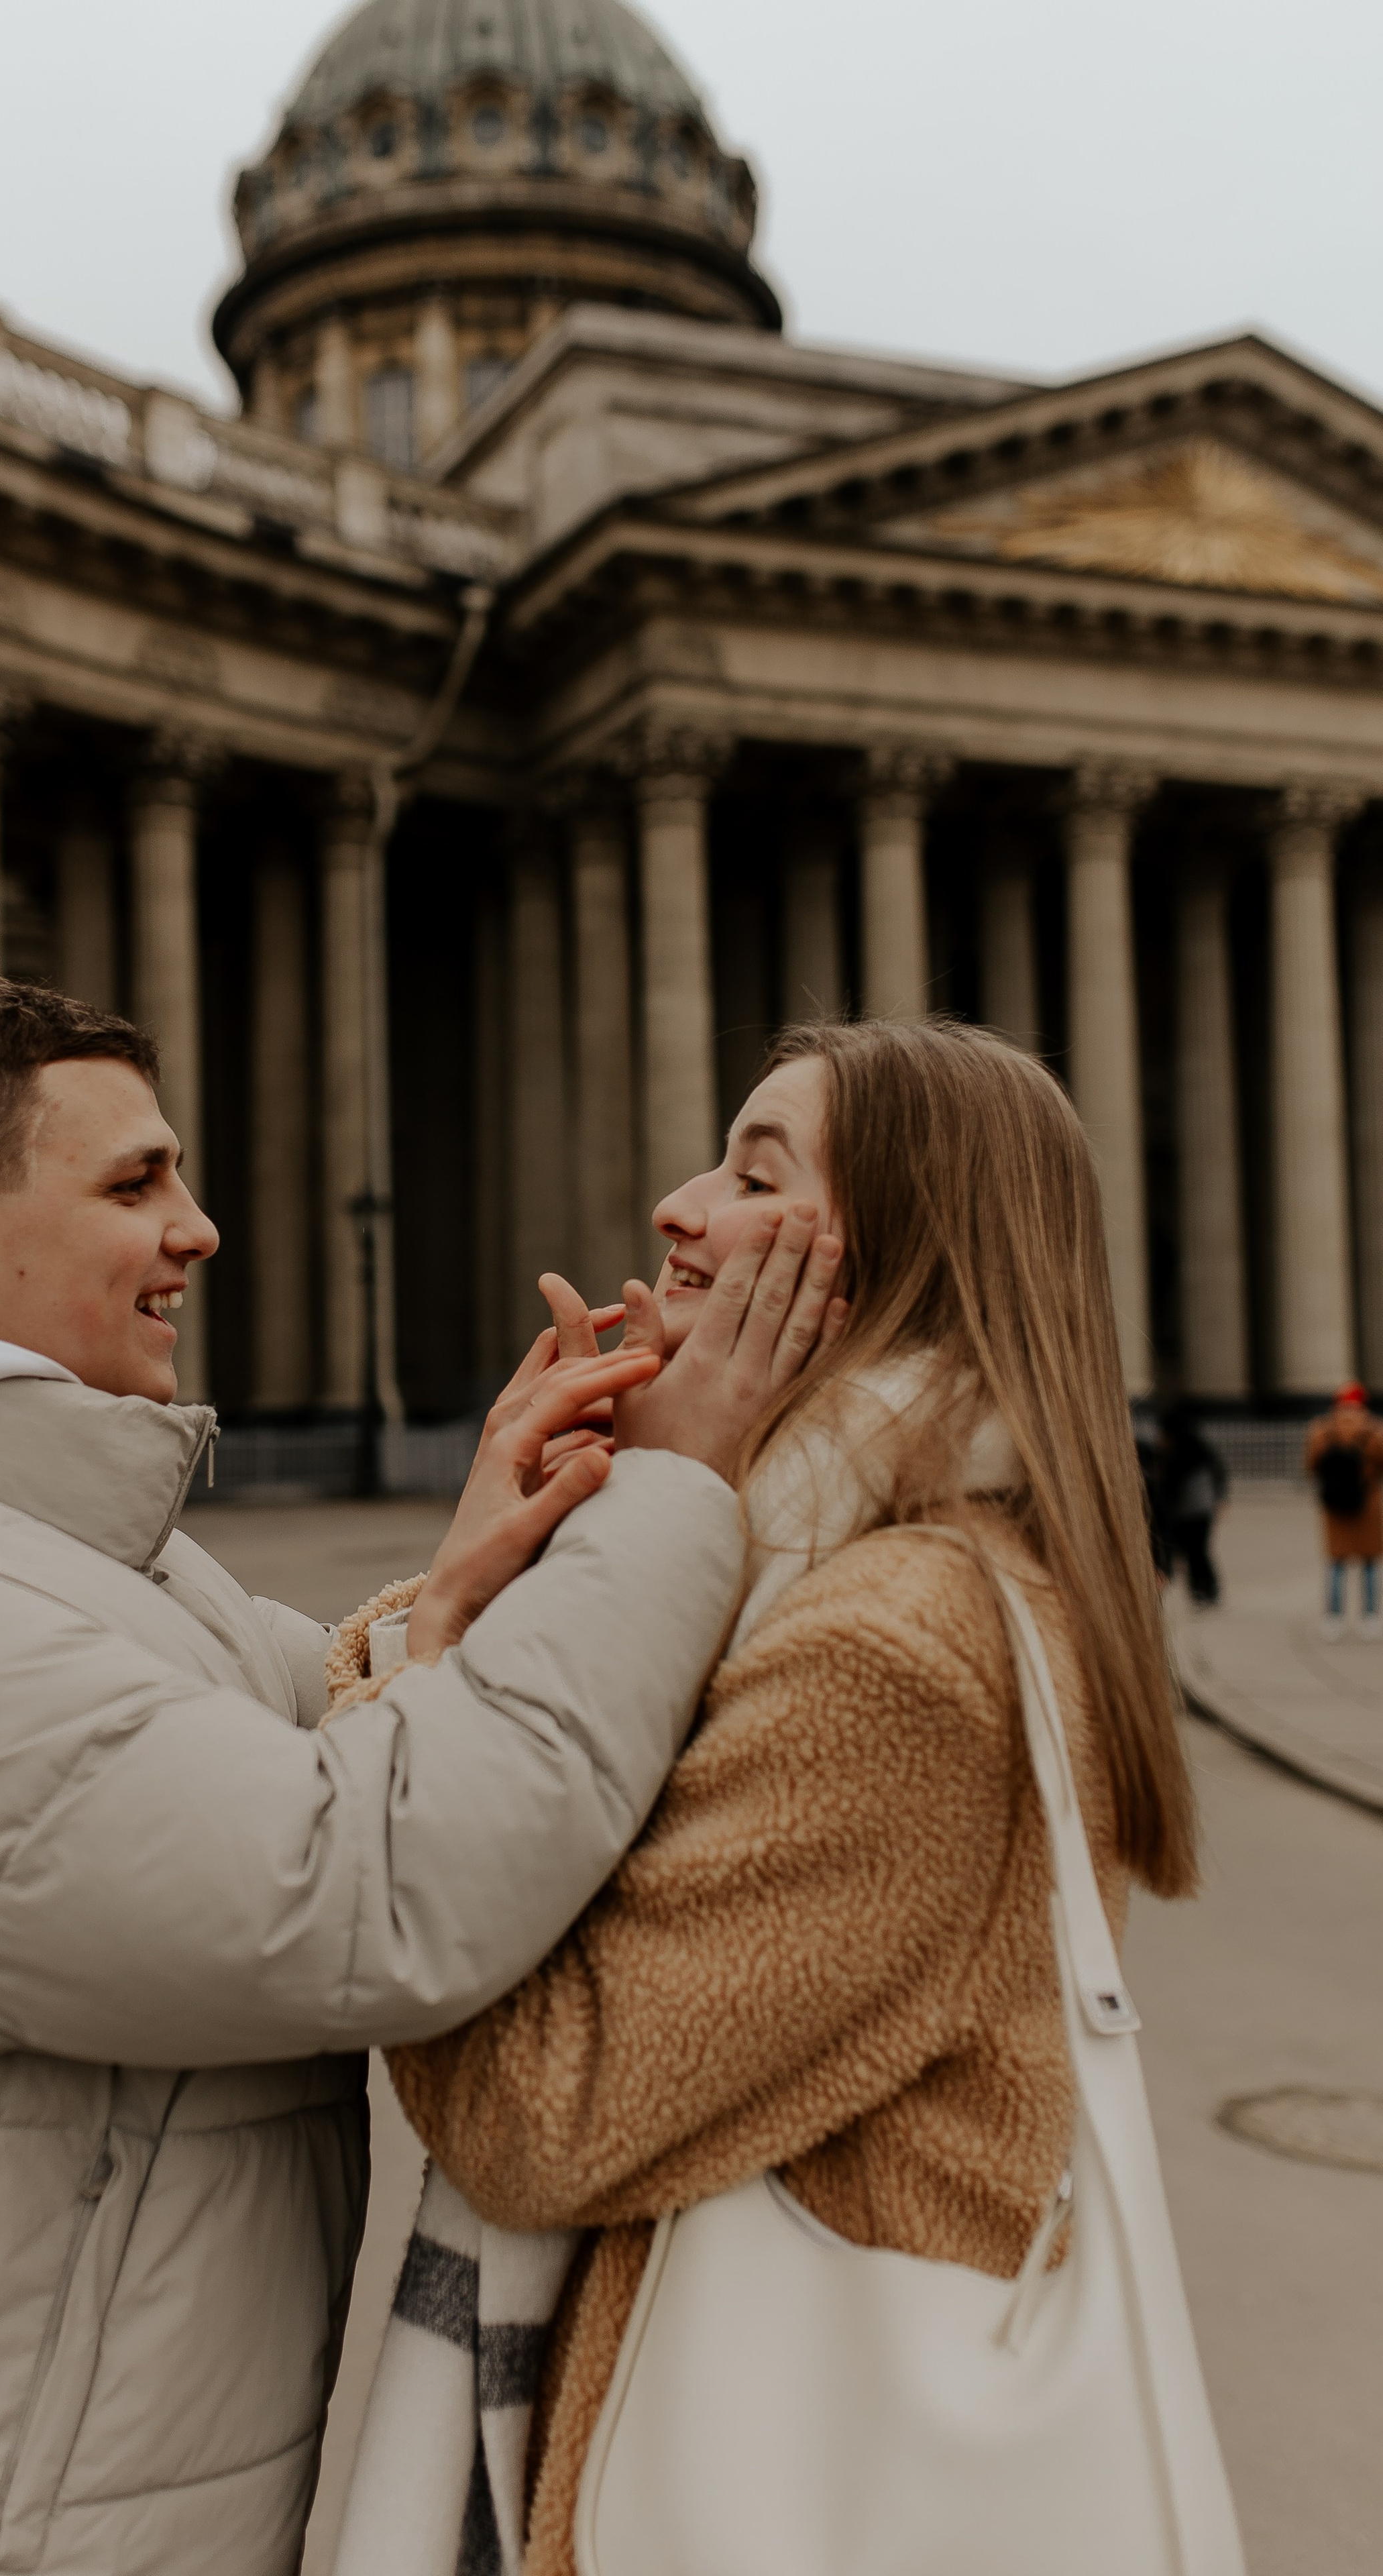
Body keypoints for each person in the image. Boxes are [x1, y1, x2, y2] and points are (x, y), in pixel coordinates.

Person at [0, 973, 845, 2576]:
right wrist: (678, 1493)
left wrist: (456, 1593)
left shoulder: (42, 1548)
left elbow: (305, 1730)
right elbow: (369, 1887)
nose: (201, 1228)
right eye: (135, 1181)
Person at [356, 1016, 1197, 2576]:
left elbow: (538, 2116)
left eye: (753, 1174)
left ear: (882, 1265)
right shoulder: (791, 1568)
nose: (678, 1206)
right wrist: (576, 1550)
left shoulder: (896, 1645)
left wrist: (439, 1663)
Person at [1304, 1380, 1383, 1640]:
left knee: (1336, 1562)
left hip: (1335, 1504)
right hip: (1367, 1504)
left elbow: (1311, 1466)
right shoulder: (1374, 1430)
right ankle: (1370, 1619)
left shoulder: (1322, 1430)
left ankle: (1334, 1620)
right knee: (1370, 1562)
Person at [1153, 1399, 1229, 1607]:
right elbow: (1218, 1473)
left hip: (1190, 1511)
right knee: (1198, 1551)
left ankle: (1204, 1589)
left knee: (1195, 1552)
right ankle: (1204, 1589)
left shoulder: (1181, 1451)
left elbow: (1171, 1484)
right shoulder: (1197, 1447)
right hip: (1200, 1510)